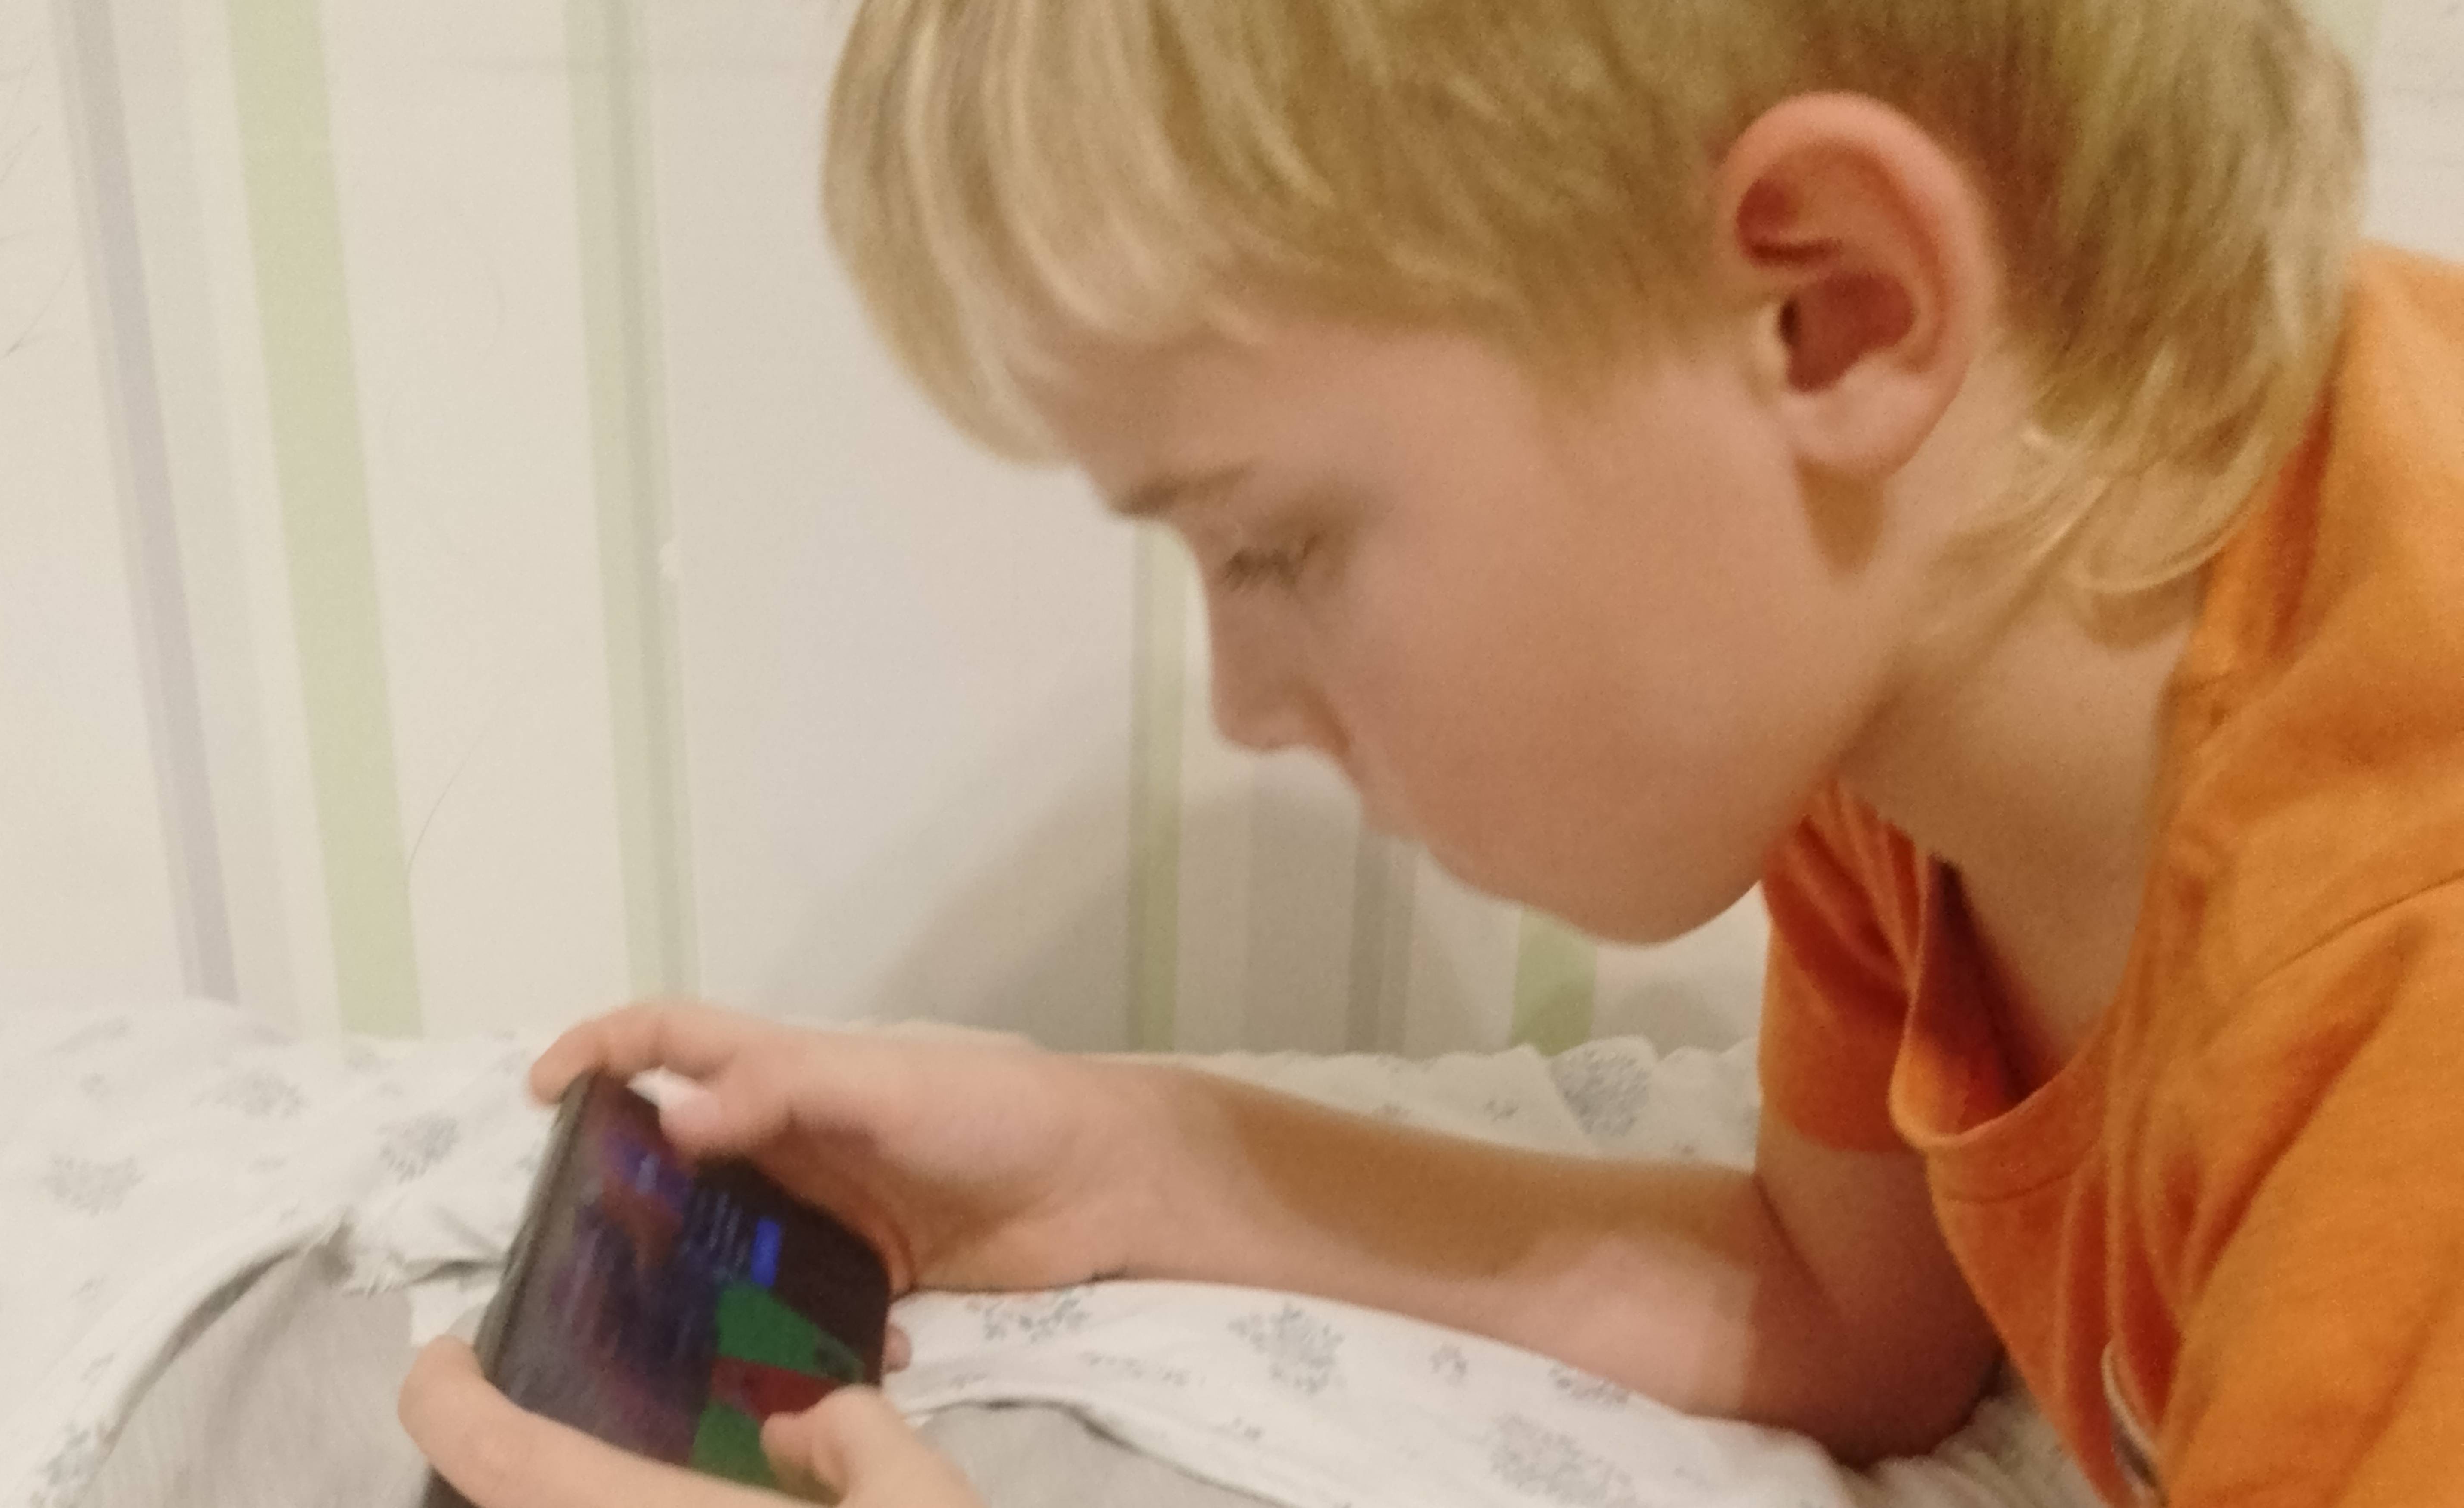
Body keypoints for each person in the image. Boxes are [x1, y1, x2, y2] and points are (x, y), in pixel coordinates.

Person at [398, 0, 2464, 1503]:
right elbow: (1859, 1315)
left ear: (1827, 311)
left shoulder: (2395, 1003)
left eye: (1276, 542)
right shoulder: (1920, 678)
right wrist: (1118, 1153)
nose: (1246, 701)